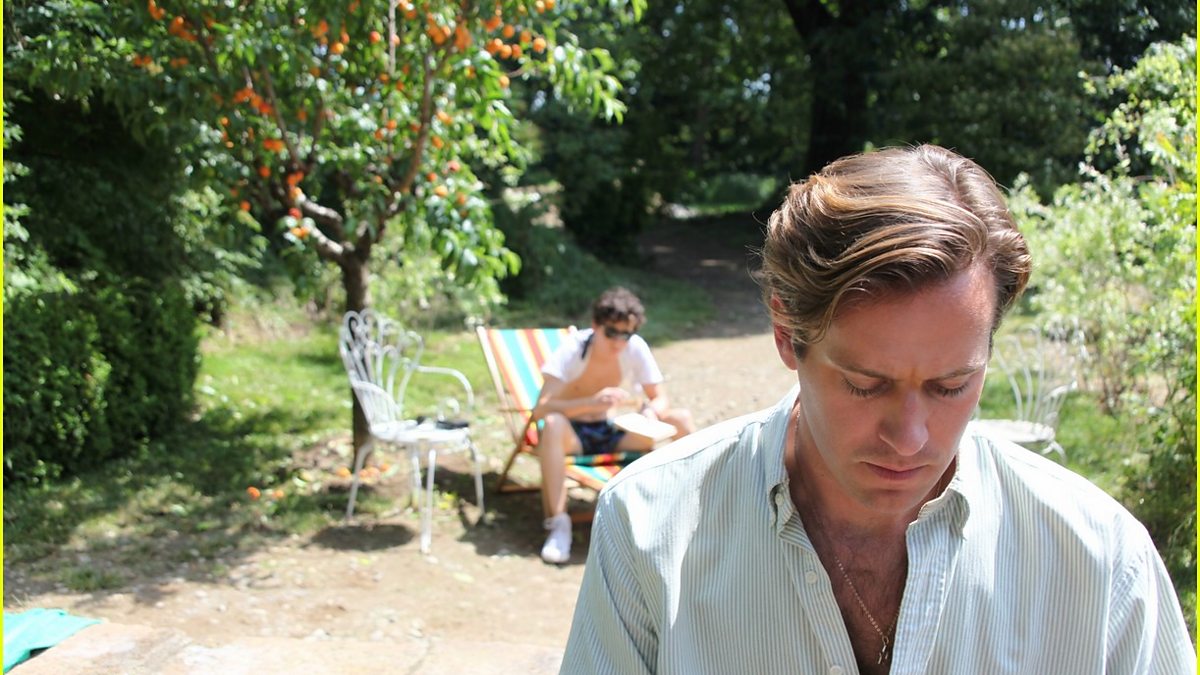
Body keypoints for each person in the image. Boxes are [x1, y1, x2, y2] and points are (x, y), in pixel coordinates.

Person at [561, 145, 1194, 673]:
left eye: (951, 386)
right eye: (866, 384)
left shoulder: (1101, 561)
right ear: (785, 332)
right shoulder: (648, 528)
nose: (910, 438)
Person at [533, 286, 695, 565]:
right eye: (611, 333)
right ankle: (559, 524)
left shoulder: (635, 348)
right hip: (573, 434)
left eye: (626, 334)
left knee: (680, 419)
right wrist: (590, 403)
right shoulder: (574, 348)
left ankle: (689, 512)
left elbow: (660, 397)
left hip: (612, 429)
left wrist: (650, 411)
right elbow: (542, 408)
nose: (618, 342)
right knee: (552, 423)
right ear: (595, 326)